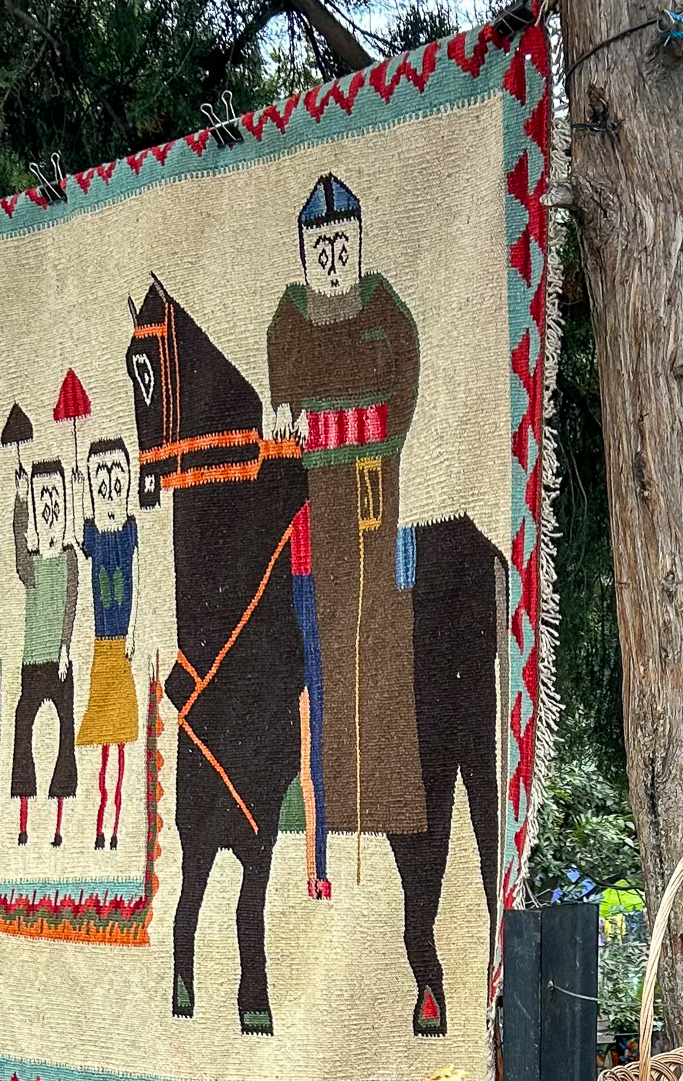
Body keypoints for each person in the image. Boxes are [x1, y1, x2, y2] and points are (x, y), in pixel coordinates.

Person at [266, 173, 426, 860]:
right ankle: (324, 798)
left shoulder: (385, 309)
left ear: (357, 243)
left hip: (374, 491)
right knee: (320, 639)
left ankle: (386, 795)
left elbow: (406, 382)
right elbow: (283, 405)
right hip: (319, 507)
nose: (332, 257)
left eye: (342, 243)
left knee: (383, 631)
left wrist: (374, 438)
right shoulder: (291, 319)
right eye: (321, 246)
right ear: (306, 254)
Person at [10, 458, 79, 847]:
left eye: (55, 499)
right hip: (31, 660)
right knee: (25, 725)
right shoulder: (32, 565)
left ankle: (59, 824)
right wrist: (20, 498)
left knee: (64, 732)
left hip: (59, 659)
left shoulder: (68, 558)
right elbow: (19, 544)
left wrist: (66, 647)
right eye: (42, 501)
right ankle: (22, 820)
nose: (49, 508)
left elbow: (71, 603)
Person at [74, 438, 139, 851]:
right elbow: (82, 537)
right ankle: (102, 828)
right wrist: (79, 486)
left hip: (121, 647)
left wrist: (134, 630)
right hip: (102, 647)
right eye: (102, 482)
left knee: (119, 744)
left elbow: (139, 578)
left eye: (118, 478)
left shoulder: (129, 530)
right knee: (103, 749)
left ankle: (118, 826)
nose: (110, 488)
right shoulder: (95, 534)